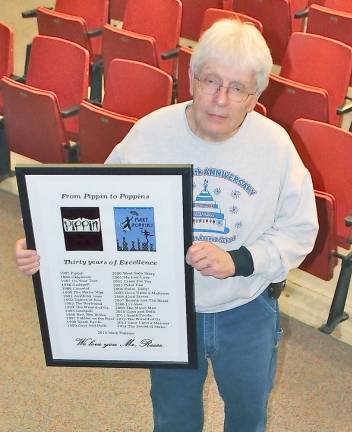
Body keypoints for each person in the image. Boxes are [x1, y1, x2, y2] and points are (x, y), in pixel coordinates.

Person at [15, 19, 318, 432]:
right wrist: (47, 245)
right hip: (167, 312)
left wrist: (240, 260)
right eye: (211, 81)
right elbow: (94, 207)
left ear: (255, 95)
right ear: (192, 76)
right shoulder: (150, 134)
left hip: (245, 309)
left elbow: (300, 230)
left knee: (248, 415)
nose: (221, 99)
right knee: (174, 416)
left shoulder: (276, 146)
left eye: (237, 88)